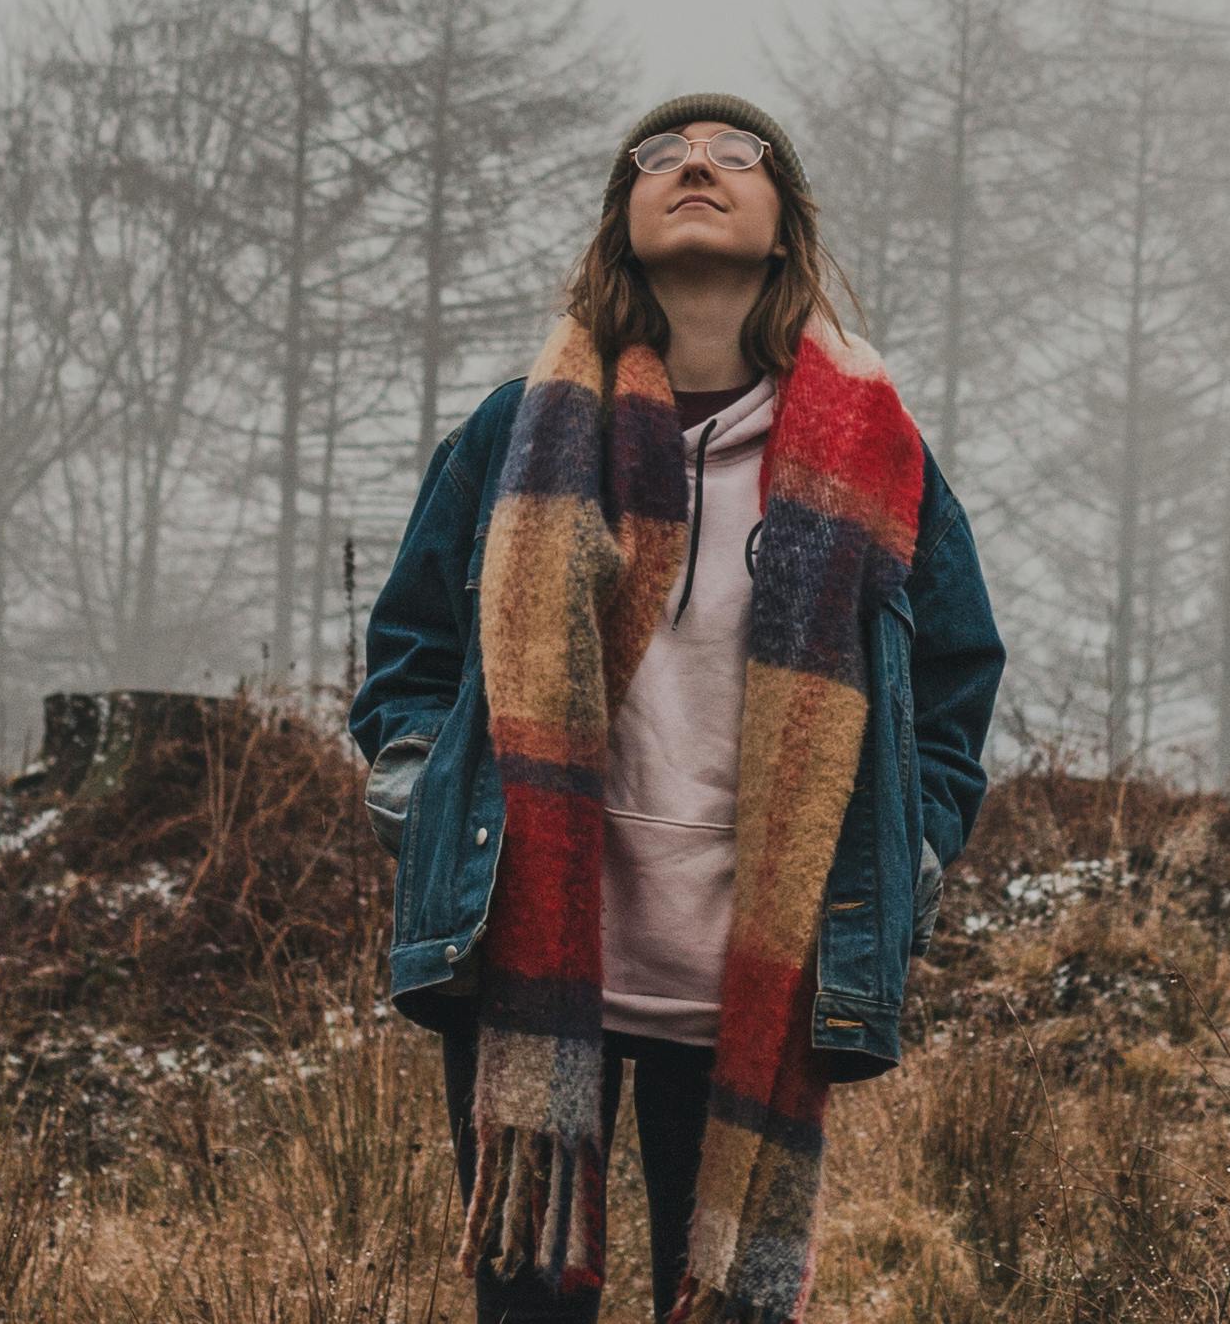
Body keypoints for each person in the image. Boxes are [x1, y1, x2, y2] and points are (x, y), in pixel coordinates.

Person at [352, 90, 1006, 1324]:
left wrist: (911, 848)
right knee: (529, 1312)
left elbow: (954, 679)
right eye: (661, 153)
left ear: (783, 224)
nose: (694, 163)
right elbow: (412, 647)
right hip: (535, 950)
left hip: (756, 969)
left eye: (732, 152)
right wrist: (419, 788)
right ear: (623, 218)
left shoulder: (874, 455)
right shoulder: (517, 431)